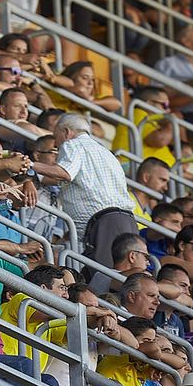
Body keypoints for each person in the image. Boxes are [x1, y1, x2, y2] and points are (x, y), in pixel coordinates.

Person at [30, 112, 137, 282]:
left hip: (104, 225)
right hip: (126, 222)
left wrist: (29, 164)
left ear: (66, 132)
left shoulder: (72, 145)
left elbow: (64, 173)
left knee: (105, 280)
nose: (58, 146)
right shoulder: (106, 153)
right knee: (127, 278)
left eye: (56, 139)